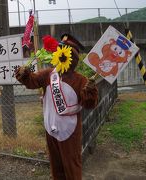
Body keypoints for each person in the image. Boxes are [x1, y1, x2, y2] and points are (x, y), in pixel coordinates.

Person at [15, 34, 98, 180]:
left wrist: (90, 91)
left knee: (71, 164)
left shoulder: (81, 80)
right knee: (56, 164)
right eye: (59, 53)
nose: (60, 56)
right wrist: (25, 74)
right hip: (50, 127)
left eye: (64, 53)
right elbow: (33, 81)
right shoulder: (49, 74)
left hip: (69, 130)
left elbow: (89, 104)